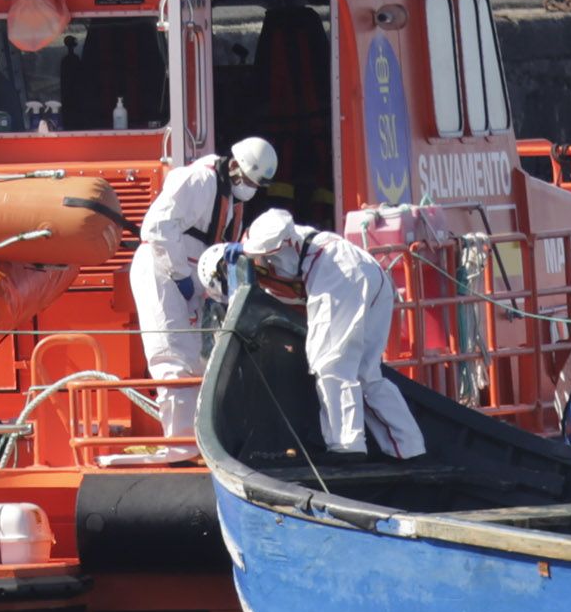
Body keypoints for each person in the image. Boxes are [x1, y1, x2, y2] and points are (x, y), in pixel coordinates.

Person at [239, 209, 425, 459]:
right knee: (367, 372)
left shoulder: (301, 255)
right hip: (370, 272)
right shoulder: (300, 241)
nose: (266, 264)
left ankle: (345, 446)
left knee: (330, 363)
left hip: (340, 274)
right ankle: (410, 448)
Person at [130, 137, 278, 440]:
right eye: (247, 180)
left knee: (201, 359)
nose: (248, 187)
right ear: (234, 166)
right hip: (162, 270)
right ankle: (181, 445)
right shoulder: (198, 179)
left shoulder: (230, 195)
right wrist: (180, 275)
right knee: (173, 356)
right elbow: (157, 228)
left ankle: (201, 438)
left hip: (190, 275)